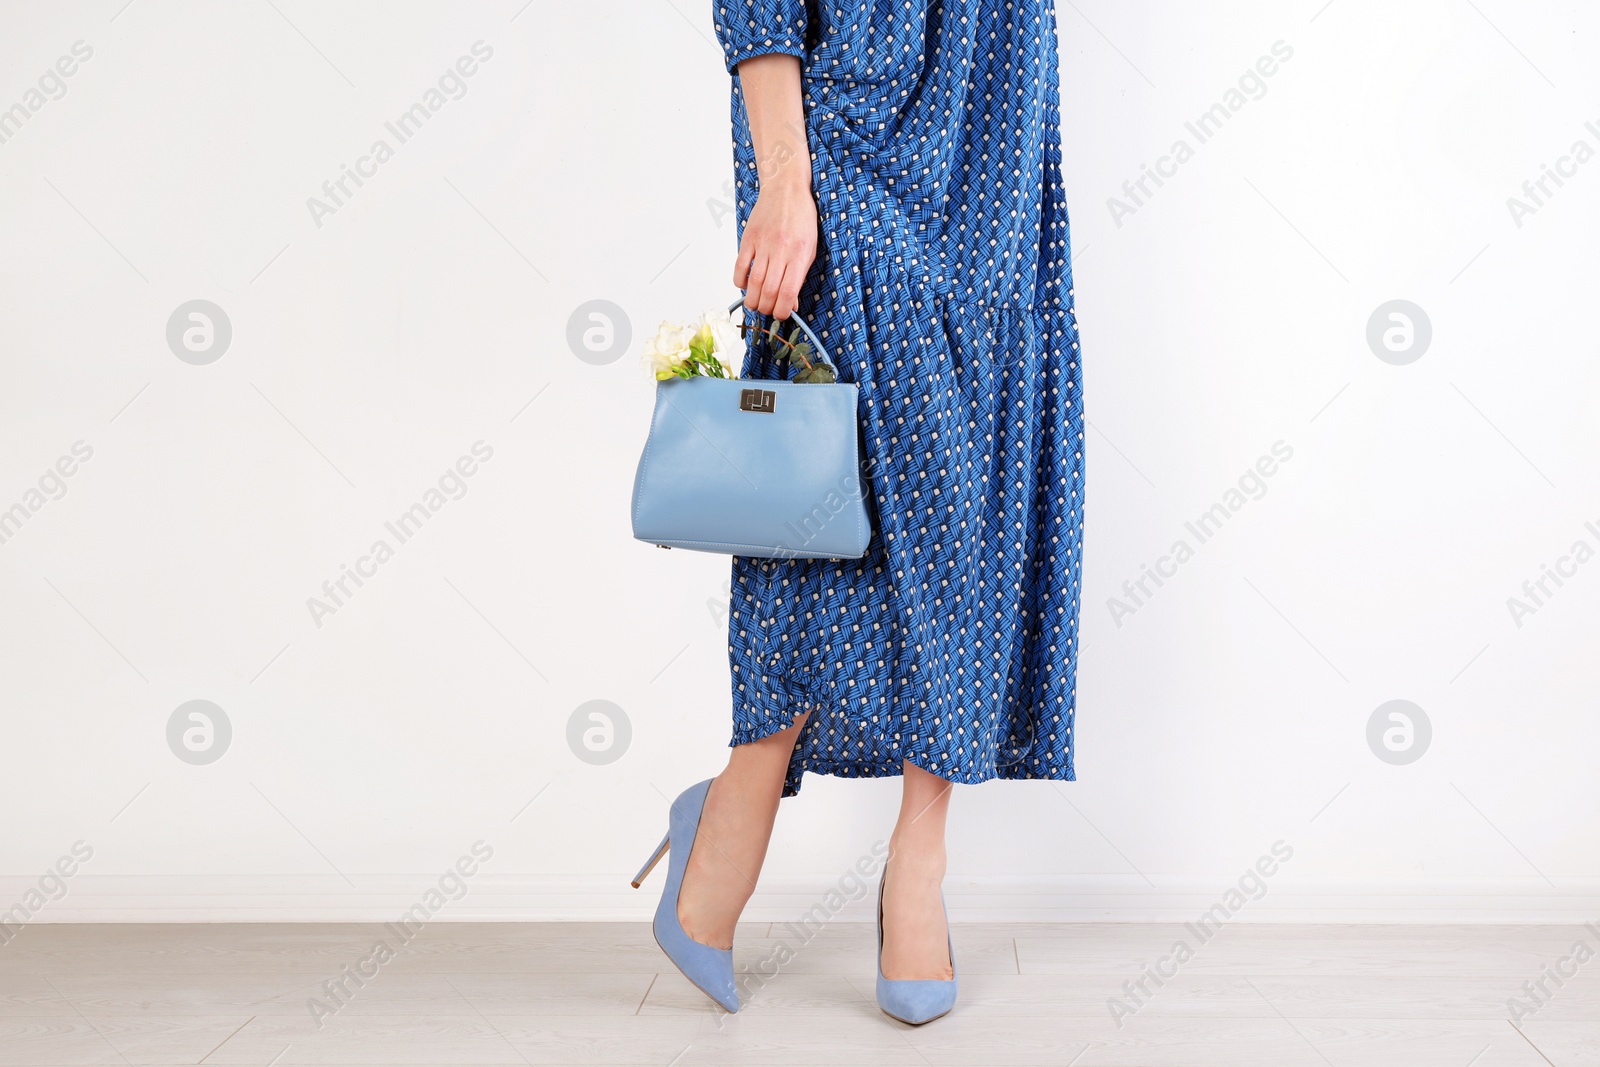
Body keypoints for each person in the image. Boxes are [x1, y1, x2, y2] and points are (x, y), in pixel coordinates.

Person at [633, 0, 1086, 1025]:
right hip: (841, 130)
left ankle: (915, 860)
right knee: (825, 496)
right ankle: (740, 797)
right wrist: (784, 177)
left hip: (991, 129)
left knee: (966, 506)